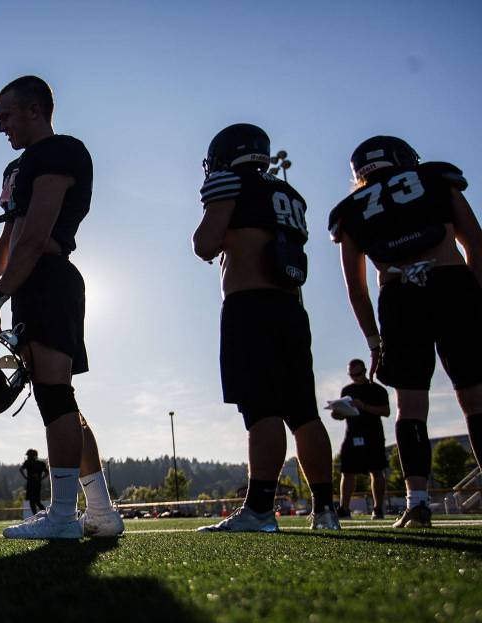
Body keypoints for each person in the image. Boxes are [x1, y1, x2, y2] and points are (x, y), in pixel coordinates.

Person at [0, 76, 123, 539]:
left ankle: (62, 515)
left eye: (7, 116)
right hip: (28, 283)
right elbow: (11, 234)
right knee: (57, 396)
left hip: (50, 278)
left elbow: (36, 237)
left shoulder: (61, 152)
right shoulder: (17, 168)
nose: (1, 128)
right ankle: (100, 511)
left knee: (55, 394)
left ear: (34, 110)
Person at [192, 123, 339, 532]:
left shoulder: (230, 182)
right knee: (304, 413)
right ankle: (325, 511)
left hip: (250, 306)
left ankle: (259, 509)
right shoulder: (288, 194)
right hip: (292, 309)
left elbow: (206, 244)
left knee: (262, 409)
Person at [329, 136, 482, 528]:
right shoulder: (435, 178)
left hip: (399, 297)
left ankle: (417, 504)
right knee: (475, 396)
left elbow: (355, 286)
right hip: (452, 283)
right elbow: (475, 245)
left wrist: (373, 340)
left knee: (410, 406)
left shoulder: (351, 210)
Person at [330, 359, 390, 519]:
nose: (355, 377)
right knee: (347, 472)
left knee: (377, 471)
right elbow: (341, 416)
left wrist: (364, 406)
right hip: (352, 435)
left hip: (373, 435)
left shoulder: (377, 390)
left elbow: (386, 411)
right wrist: (337, 413)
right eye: (352, 375)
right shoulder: (347, 390)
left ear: (365, 371)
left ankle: (378, 508)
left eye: (358, 374)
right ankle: (344, 508)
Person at [19, 448, 49, 515]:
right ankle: (45, 514)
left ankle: (38, 514)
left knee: (33, 501)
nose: (28, 457)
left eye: (29, 456)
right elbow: (47, 472)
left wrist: (25, 477)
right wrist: (41, 478)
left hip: (31, 484)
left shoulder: (28, 462)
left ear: (32, 456)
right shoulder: (41, 463)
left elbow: (21, 469)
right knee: (36, 501)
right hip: (37, 484)